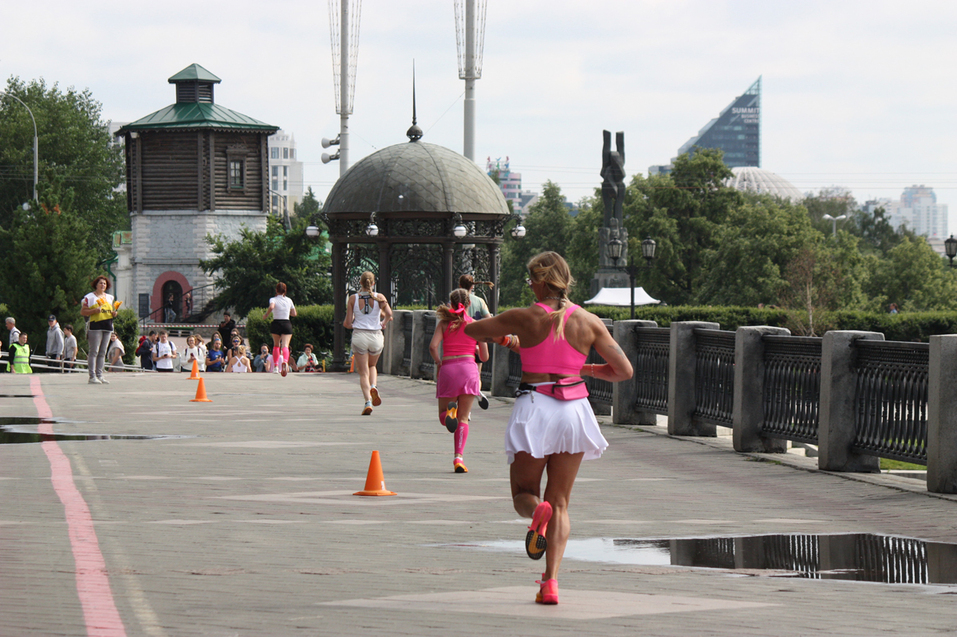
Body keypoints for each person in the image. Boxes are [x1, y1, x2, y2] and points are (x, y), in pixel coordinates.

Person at [465, 251, 633, 606]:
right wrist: (584, 369)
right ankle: (550, 583)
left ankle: (535, 511)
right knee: (561, 503)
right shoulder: (588, 321)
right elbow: (623, 371)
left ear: (541, 281)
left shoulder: (523, 317)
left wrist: (499, 329)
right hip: (574, 410)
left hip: (535, 406)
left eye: (530, 279)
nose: (529, 285)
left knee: (524, 494)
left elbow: (472, 330)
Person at [429, 288, 489, 473]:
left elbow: (433, 346)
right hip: (468, 370)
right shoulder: (475, 325)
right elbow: (485, 357)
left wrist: (439, 362)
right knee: (464, 418)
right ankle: (458, 458)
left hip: (448, 369)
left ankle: (449, 412)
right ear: (469, 304)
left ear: (451, 304)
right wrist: (475, 351)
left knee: (443, 416)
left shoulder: (443, 324)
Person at [344, 271, 393, 415]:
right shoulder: (380, 297)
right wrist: (383, 323)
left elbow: (347, 323)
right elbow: (389, 314)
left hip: (360, 335)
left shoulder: (353, 298)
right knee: (372, 366)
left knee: (363, 372)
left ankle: (368, 401)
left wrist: (353, 324)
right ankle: (374, 386)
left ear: (360, 283)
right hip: (376, 336)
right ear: (373, 283)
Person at [459, 274, 493, 410]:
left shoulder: (456, 300)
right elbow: (488, 318)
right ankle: (476, 392)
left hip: (460, 340)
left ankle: (461, 402)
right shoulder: (479, 301)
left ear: (460, 286)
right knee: (476, 373)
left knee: (461, 371)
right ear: (473, 286)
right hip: (477, 340)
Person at [80, 275, 119, 385]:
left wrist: (114, 314)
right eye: (101, 283)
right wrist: (93, 311)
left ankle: (100, 374)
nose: (103, 285)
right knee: (94, 351)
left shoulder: (110, 297)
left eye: (105, 283)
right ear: (96, 284)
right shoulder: (90, 297)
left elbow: (111, 310)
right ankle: (92, 376)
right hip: (95, 326)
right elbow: (83, 312)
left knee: (102, 352)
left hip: (107, 326)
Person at [262, 282, 297, 377]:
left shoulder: (273, 299)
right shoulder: (289, 300)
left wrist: (266, 314)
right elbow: (294, 313)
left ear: (276, 290)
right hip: (286, 322)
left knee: (276, 345)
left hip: (276, 323)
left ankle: (276, 366)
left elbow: (272, 306)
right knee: (285, 346)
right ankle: (285, 361)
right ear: (285, 291)